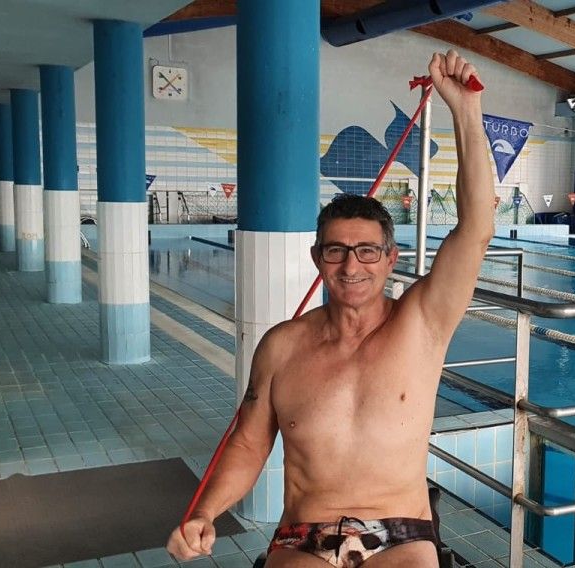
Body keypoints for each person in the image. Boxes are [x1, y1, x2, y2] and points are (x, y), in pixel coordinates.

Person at [166, 50, 493, 568]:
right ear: (318, 258)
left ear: (391, 259)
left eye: (367, 251)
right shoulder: (282, 345)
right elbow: (250, 444)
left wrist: (466, 111)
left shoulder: (422, 323)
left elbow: (475, 230)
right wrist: (205, 513)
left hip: (402, 534)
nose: (351, 265)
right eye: (336, 250)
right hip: (303, 535)